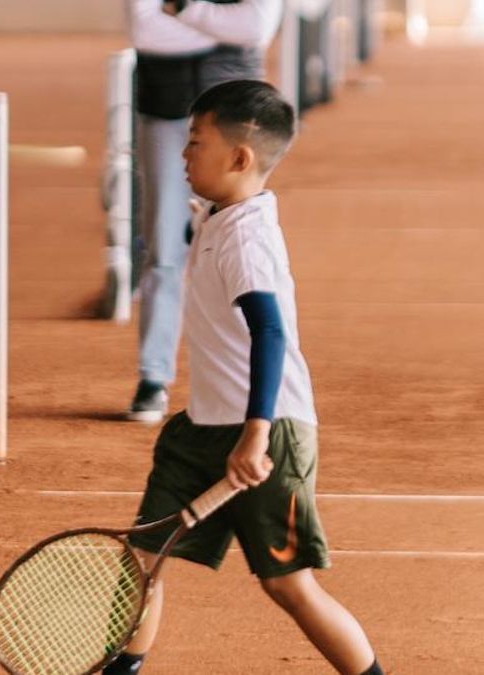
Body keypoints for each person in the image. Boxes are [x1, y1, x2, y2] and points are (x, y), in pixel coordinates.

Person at [103, 81, 384, 675]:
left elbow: (271, 332)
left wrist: (256, 433)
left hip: (266, 433)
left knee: (289, 587)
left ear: (239, 157)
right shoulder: (220, 215)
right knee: (141, 560)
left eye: (195, 143)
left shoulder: (247, 238)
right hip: (202, 431)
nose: (183, 155)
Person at [126, 0, 282, 422]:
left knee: (244, 241)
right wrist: (218, 27)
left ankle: (254, 384)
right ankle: (154, 377)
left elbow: (255, 26)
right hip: (165, 107)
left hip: (240, 115)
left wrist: (184, 12)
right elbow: (145, 31)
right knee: (164, 249)